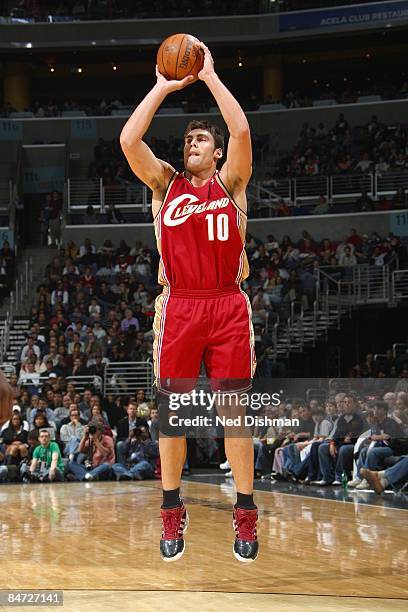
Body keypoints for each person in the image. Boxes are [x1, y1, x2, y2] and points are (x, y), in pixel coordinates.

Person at [120, 41, 258, 562]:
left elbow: (242, 131)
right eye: (187, 140)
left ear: (217, 151)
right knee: (172, 415)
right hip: (179, 305)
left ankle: (245, 515)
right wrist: (163, 86)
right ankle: (171, 510)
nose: (191, 143)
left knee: (235, 414)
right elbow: (129, 139)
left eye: (201, 138)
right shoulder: (166, 184)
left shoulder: (232, 183)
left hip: (226, 305)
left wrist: (212, 79)